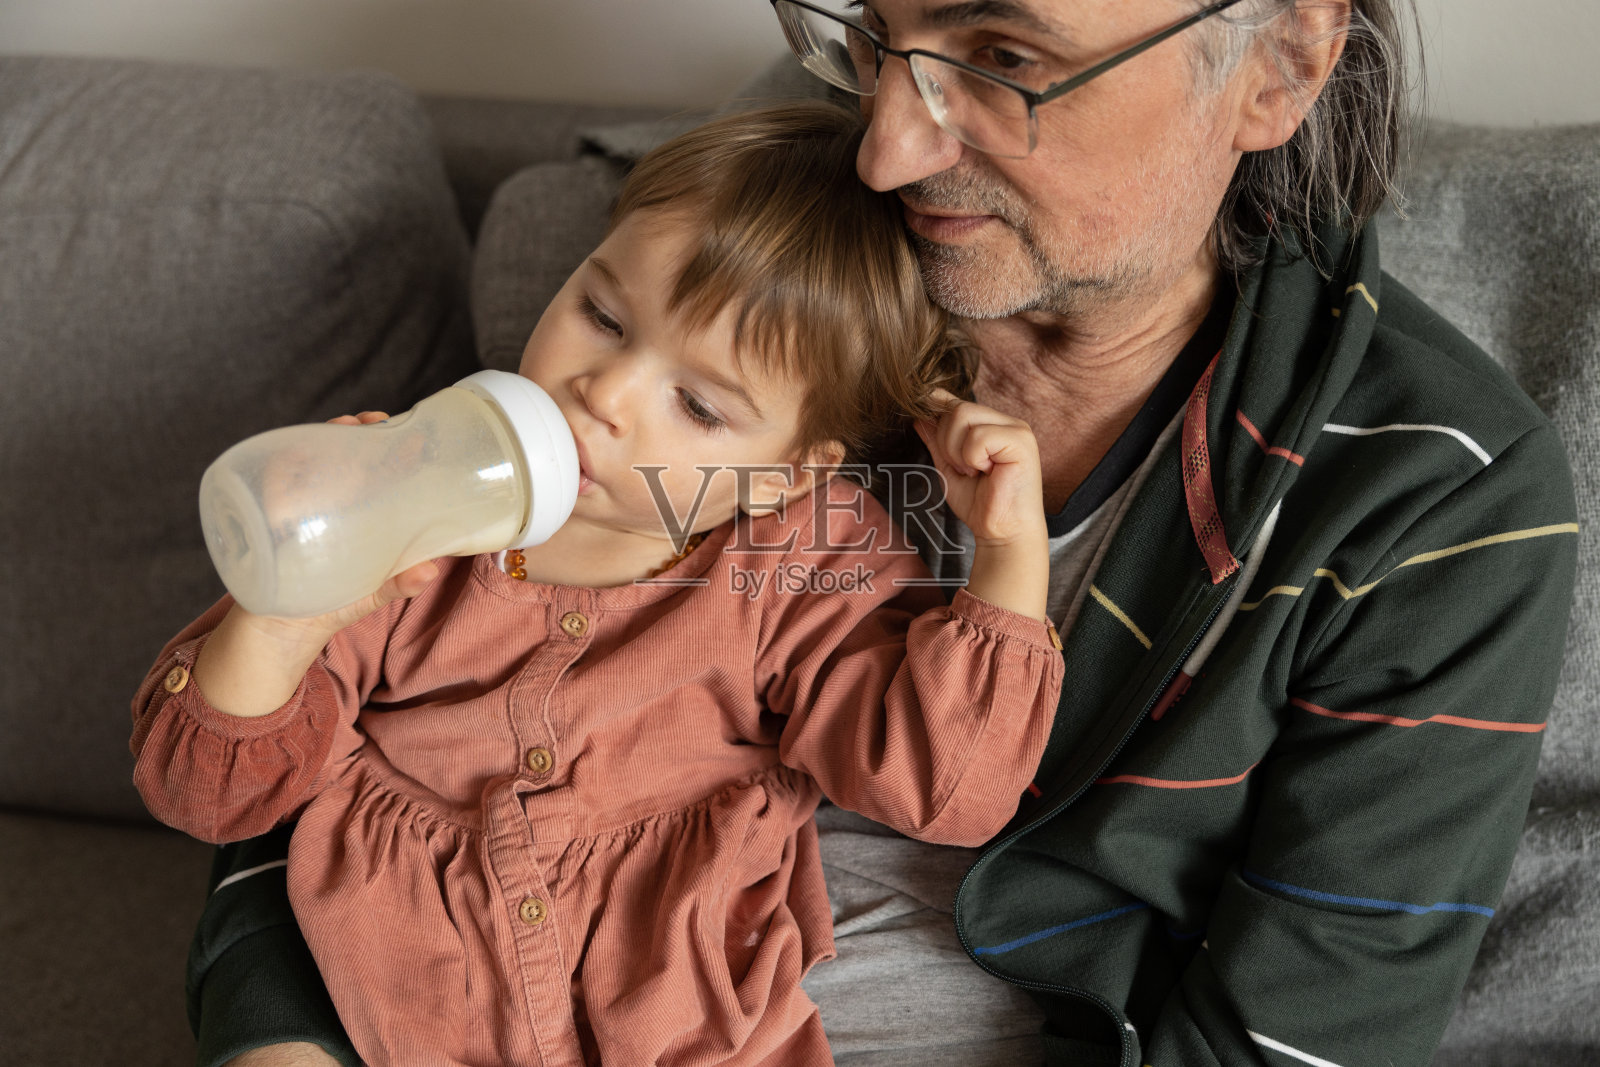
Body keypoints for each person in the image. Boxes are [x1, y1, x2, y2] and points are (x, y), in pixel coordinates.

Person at [177, 1, 1581, 1065]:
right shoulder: (783, 248)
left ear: (1276, 66)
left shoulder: (1432, 494)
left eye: (1001, 52)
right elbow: (398, 694)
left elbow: (1300, 1038)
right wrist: (277, 1029)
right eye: (871, 30)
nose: (889, 142)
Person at [131, 102, 1065, 1067]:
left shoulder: (803, 561)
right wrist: (285, 618)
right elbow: (204, 795)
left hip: (672, 1009)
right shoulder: (420, 489)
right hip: (393, 978)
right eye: (603, 316)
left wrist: (1007, 558)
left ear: (790, 471)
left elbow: (945, 789)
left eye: (698, 404)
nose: (604, 396)